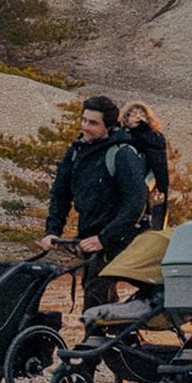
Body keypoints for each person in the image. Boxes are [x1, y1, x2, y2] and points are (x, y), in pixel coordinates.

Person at [41, 96, 149, 310]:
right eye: (83, 120)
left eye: (92, 123)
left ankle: (101, 330)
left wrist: (104, 238)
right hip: (90, 236)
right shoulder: (76, 152)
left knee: (96, 296)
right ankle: (114, 329)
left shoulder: (122, 153)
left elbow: (136, 202)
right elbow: (60, 195)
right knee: (99, 298)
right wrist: (52, 230)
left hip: (118, 238)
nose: (85, 127)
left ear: (108, 126)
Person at [122, 102, 172, 230]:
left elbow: (159, 163)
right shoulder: (121, 136)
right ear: (126, 117)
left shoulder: (153, 136)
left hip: (148, 177)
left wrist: (161, 186)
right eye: (133, 114)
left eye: (141, 114)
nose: (138, 117)